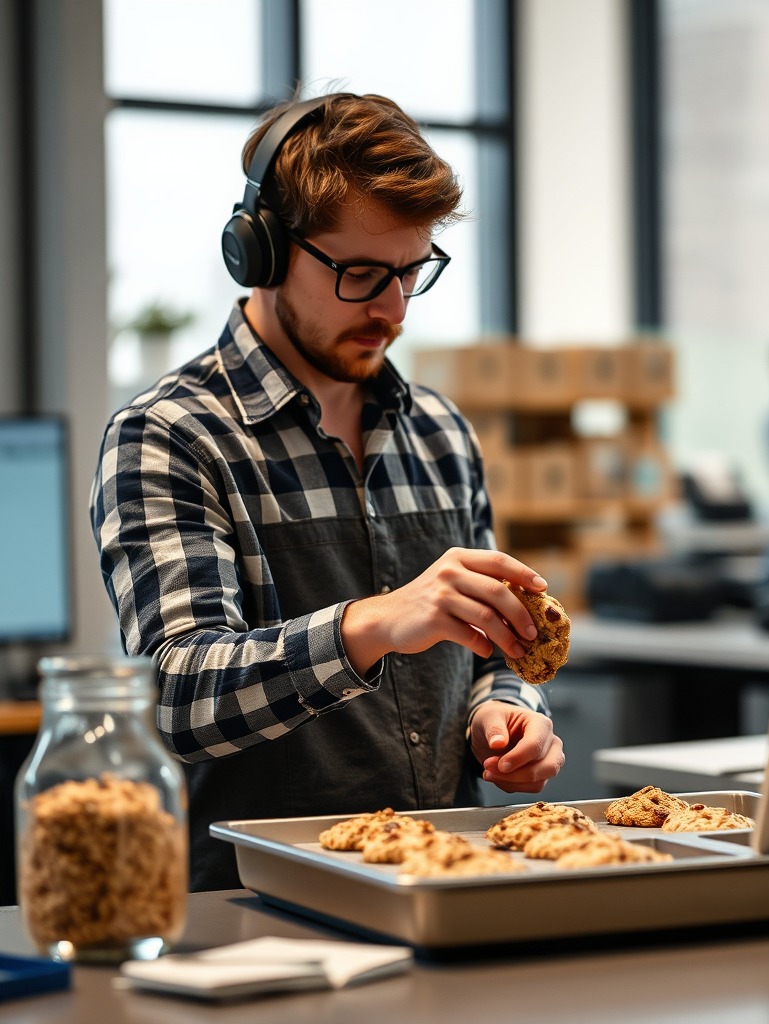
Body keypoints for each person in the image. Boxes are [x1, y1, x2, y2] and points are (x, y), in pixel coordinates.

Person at [90, 91, 565, 891]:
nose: (392, 308)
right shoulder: (170, 435)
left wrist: (508, 710)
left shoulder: (442, 433)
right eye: (360, 273)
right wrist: (371, 624)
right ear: (262, 252)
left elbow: (499, 649)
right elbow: (178, 696)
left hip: (446, 887)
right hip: (257, 913)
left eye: (413, 273)